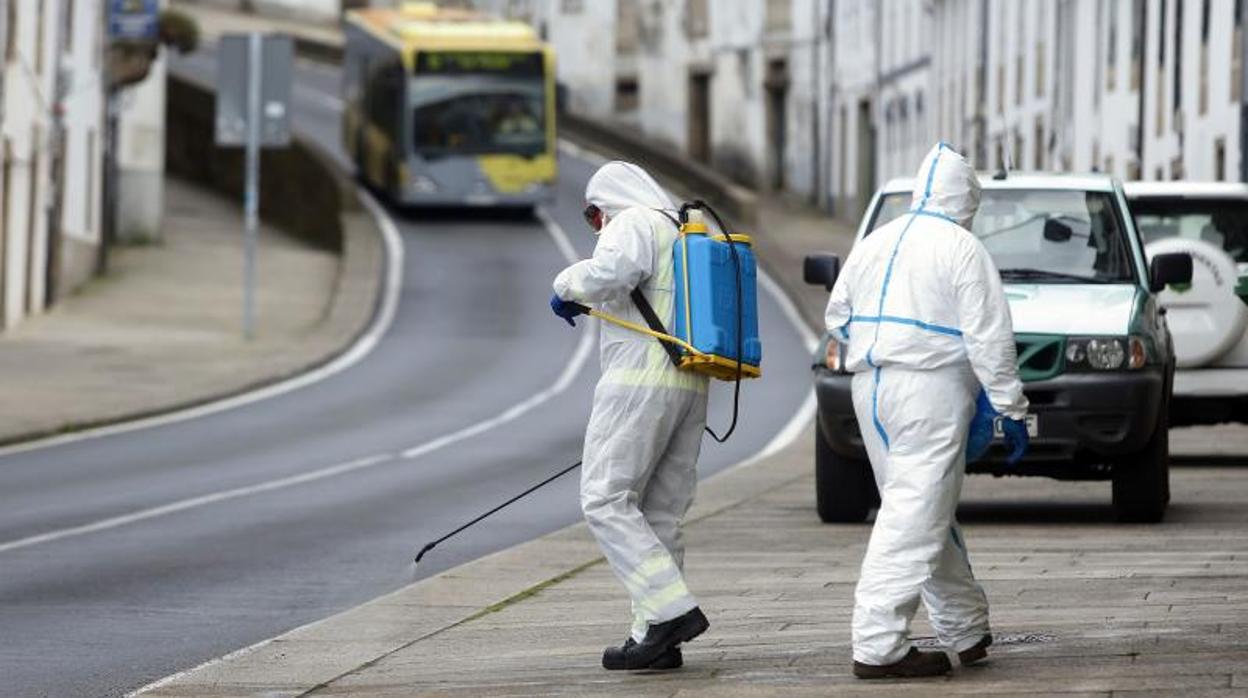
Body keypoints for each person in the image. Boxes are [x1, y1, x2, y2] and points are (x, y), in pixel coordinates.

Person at [824, 142, 1030, 679]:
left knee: (919, 504)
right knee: (913, 513)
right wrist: (1010, 405)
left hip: (870, 387)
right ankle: (878, 644)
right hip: (930, 389)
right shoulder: (961, 247)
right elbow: (990, 337)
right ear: (965, 198)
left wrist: (876, 344)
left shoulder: (875, 241)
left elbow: (836, 315)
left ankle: (965, 626)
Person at [549, 161, 711, 671]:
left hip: (640, 380)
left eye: (595, 216)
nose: (597, 227)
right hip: (688, 379)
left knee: (604, 497)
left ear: (608, 203)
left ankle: (669, 613)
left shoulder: (634, 221)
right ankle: (654, 638)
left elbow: (611, 271)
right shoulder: (679, 228)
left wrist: (566, 284)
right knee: (661, 510)